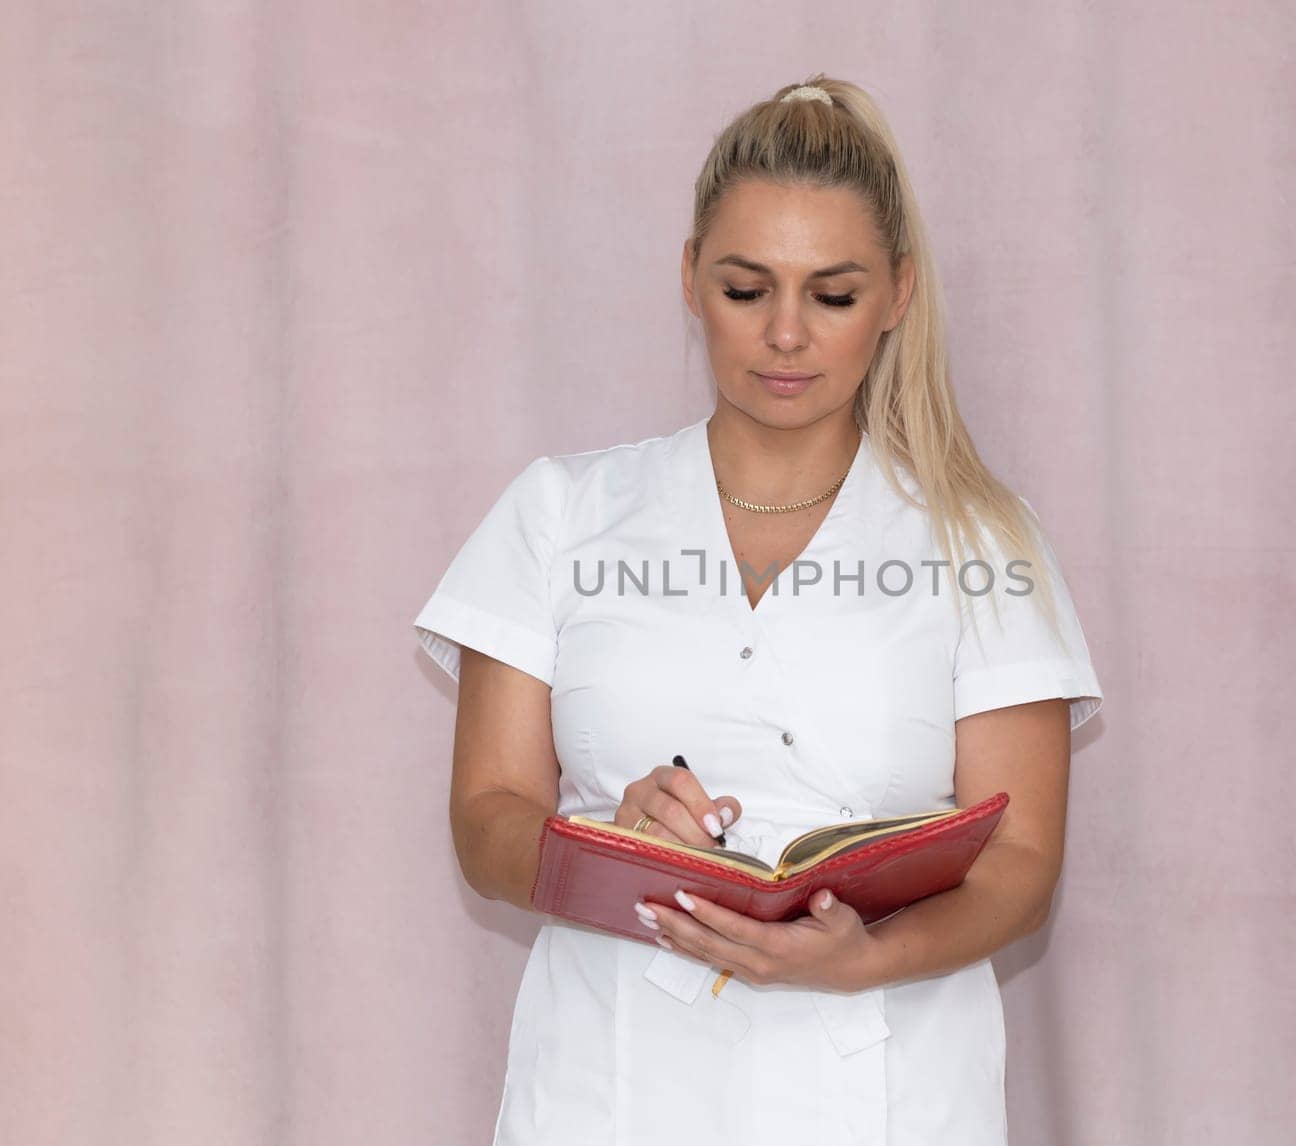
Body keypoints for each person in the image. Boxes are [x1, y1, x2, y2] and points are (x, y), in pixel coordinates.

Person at [412, 73, 1105, 1146]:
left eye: (831, 295)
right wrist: (599, 837)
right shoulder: (562, 514)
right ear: (689, 279)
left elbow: (1018, 863)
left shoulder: (982, 543)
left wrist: (862, 958)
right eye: (747, 290)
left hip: (884, 1089)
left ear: (898, 294)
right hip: (611, 1085)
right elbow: (486, 817)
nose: (786, 334)